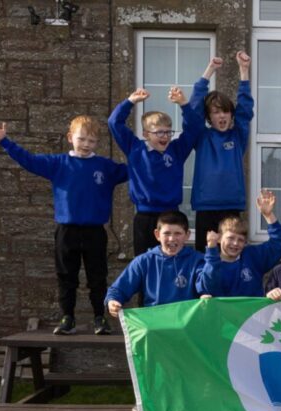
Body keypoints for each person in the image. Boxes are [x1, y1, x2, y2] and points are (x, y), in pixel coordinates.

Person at [0, 116, 128, 336]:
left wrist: (148, 148)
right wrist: (5, 141)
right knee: (66, 277)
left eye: (91, 141)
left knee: (97, 277)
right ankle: (67, 317)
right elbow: (29, 160)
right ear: (70, 138)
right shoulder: (57, 163)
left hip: (95, 232)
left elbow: (135, 168)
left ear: (97, 142)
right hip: (66, 231)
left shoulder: (105, 167)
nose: (86, 144)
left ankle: (99, 318)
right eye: (82, 139)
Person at [108, 85, 201, 258]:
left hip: (171, 215)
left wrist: (184, 104)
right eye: (159, 132)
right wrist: (131, 101)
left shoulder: (176, 151)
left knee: (172, 261)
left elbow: (194, 129)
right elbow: (114, 122)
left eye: (168, 132)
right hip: (145, 217)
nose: (165, 136)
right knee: (144, 262)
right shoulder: (135, 149)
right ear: (146, 133)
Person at [189, 52, 254, 252]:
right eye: (216, 112)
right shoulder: (201, 136)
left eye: (225, 111)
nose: (222, 116)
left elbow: (245, 110)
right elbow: (192, 110)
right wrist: (208, 72)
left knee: (232, 254)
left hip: (231, 206)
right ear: (209, 116)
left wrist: (244, 71)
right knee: (205, 255)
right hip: (206, 207)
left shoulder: (237, 136)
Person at [105, 210, 206, 316]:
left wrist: (207, 294)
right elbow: (118, 289)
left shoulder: (198, 260)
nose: (172, 238)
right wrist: (113, 301)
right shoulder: (144, 261)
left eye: (178, 233)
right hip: (155, 322)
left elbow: (210, 286)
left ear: (187, 235)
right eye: (167, 233)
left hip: (187, 322)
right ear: (157, 235)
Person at [198, 189, 281, 297]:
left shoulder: (252, 256)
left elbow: (280, 244)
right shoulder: (206, 262)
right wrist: (212, 251)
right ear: (219, 238)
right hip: (221, 314)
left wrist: (268, 216)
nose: (235, 243)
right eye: (230, 238)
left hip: (253, 313)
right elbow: (208, 287)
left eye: (240, 240)